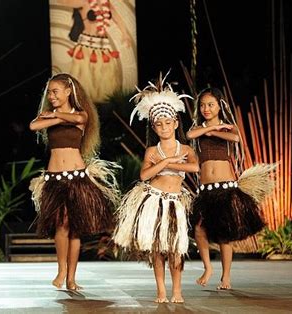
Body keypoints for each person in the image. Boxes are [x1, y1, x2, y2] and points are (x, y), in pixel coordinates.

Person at [29, 72, 120, 290]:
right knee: (61, 226)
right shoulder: (46, 115)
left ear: (69, 91)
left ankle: (71, 278)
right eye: (49, 92)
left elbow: (81, 119)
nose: (51, 96)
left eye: (55, 91)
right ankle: (61, 270)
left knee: (75, 228)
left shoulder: (80, 114)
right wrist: (54, 116)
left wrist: (57, 117)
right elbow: (33, 126)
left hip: (76, 176)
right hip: (54, 178)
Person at [113, 73, 199, 303]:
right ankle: (161, 289)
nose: (164, 127)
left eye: (168, 123)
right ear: (153, 126)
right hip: (153, 200)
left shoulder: (186, 149)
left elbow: (195, 167)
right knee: (157, 249)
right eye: (159, 124)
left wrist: (170, 163)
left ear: (176, 123)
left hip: (175, 202)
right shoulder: (152, 151)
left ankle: (177, 290)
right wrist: (166, 162)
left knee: (175, 248)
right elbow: (144, 175)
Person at [187, 87, 276, 290]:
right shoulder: (197, 128)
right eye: (202, 105)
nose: (206, 109)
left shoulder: (230, 128)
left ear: (220, 106)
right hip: (205, 190)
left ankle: (226, 276)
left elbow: (236, 138)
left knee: (224, 234)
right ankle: (208, 267)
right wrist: (209, 129)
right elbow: (190, 134)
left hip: (226, 187)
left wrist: (216, 129)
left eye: (210, 104)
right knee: (199, 229)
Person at [61, 0, 131, 103]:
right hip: (86, 48)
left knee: (106, 81)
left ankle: (104, 109)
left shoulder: (107, 4)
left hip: (103, 48)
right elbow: (64, 2)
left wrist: (125, 34)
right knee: (86, 80)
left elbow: (118, 19)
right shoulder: (84, 2)